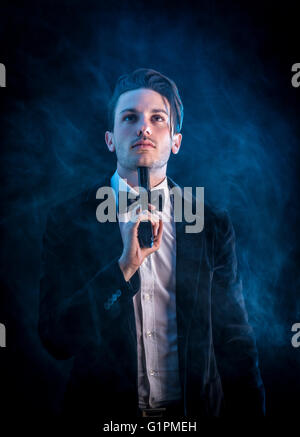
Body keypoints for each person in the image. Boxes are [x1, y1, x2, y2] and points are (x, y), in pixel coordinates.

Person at [38, 68, 265, 430]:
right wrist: (123, 268)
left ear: (176, 140)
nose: (143, 128)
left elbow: (234, 340)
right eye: (130, 117)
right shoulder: (69, 221)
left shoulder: (211, 225)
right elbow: (56, 338)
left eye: (157, 118)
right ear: (110, 139)